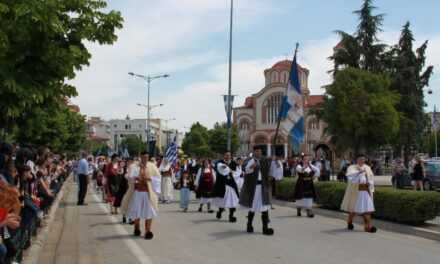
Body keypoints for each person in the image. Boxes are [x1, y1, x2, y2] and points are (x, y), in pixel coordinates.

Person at [240, 146, 280, 235]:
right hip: (253, 188)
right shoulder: (249, 160)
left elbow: (271, 167)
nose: (259, 153)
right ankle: (249, 225)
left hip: (263, 187)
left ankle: (265, 228)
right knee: (252, 208)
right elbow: (245, 169)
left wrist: (274, 161)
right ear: (253, 152)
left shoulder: (264, 160)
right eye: (257, 151)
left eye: (260, 151)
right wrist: (251, 167)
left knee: (264, 208)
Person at [127, 152, 160, 240]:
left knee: (149, 212)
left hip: (148, 193)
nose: (145, 159)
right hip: (138, 193)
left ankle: (147, 231)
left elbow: (158, 178)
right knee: (137, 212)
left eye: (146, 157)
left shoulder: (152, 167)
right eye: (143, 157)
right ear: (140, 157)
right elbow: (129, 177)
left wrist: (150, 179)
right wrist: (135, 178)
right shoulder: (135, 167)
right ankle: (137, 228)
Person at [341, 154, 377, 233]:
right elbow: (350, 177)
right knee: (353, 211)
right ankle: (349, 222)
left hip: (366, 191)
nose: (362, 161)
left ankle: (368, 227)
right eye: (360, 159)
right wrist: (359, 172)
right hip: (356, 192)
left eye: (363, 159)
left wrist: (370, 185)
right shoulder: (352, 168)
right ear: (357, 160)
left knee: (367, 210)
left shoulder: (367, 168)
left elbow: (371, 178)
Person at [212, 152, 239, 222]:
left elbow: (236, 173)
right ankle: (220, 211)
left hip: (231, 184)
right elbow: (221, 170)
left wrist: (231, 171)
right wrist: (229, 170)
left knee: (232, 201)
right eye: (226, 155)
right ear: (224, 156)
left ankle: (231, 216)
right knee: (222, 201)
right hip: (222, 184)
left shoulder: (233, 163)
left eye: (229, 155)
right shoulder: (220, 163)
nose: (228, 156)